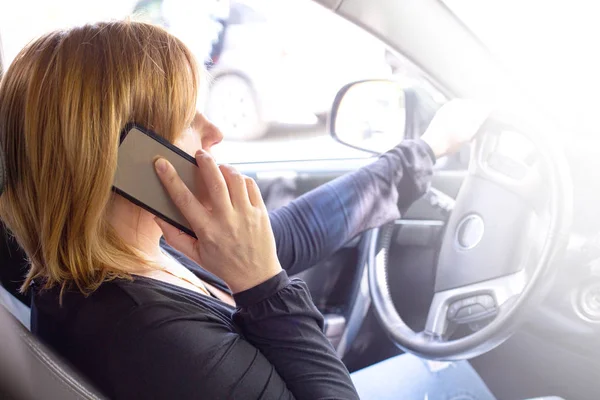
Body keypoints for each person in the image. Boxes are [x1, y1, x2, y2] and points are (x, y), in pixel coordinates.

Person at [0, 21, 494, 399]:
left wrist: (426, 149)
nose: (214, 132)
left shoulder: (134, 247)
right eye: (188, 119)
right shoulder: (155, 339)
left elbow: (295, 229)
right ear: (123, 159)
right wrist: (263, 284)